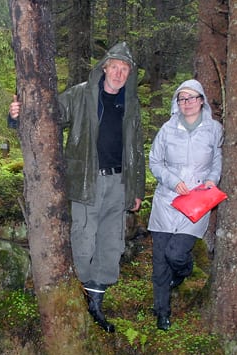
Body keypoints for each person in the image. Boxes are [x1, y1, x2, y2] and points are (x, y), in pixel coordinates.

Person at [8, 41, 146, 333]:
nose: (119, 73)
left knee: (111, 244)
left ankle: (96, 304)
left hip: (119, 183)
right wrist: (19, 112)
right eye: (115, 67)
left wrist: (137, 188)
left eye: (125, 69)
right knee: (83, 241)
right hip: (88, 179)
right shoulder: (82, 94)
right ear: (105, 67)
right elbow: (49, 114)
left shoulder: (131, 104)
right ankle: (78, 300)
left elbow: (136, 148)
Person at [147, 79, 223, 331]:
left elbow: (219, 159)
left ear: (202, 100)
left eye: (192, 98)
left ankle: (184, 270)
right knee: (160, 260)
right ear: (176, 103)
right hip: (166, 200)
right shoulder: (167, 129)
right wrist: (171, 180)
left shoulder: (214, 129)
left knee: (176, 253)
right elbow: (155, 161)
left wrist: (212, 180)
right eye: (182, 98)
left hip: (196, 202)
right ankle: (162, 312)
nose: (187, 103)